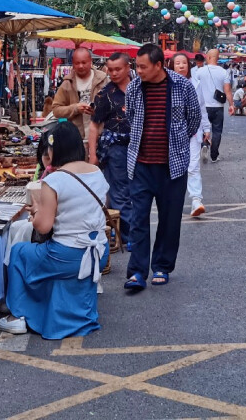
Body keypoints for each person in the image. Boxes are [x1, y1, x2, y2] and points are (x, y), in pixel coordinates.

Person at [0, 122, 109, 337]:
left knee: (20, 252)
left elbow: (43, 226)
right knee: (42, 253)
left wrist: (37, 210)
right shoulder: (96, 172)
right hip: (98, 253)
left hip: (67, 256)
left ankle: (17, 315)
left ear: (53, 150)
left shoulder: (55, 179)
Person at [123, 44, 201, 292]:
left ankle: (162, 267)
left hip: (173, 166)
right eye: (137, 66)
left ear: (158, 65)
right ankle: (137, 271)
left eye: (143, 66)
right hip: (141, 165)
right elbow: (131, 118)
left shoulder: (182, 85)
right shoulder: (134, 87)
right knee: (138, 219)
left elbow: (194, 119)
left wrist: (176, 144)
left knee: (169, 220)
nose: (138, 71)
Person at [89, 52, 133, 243]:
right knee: (119, 192)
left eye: (118, 69)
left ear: (128, 67)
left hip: (141, 147)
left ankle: (134, 232)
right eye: (111, 69)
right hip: (115, 148)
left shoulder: (140, 89)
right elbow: (94, 125)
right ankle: (130, 236)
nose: (114, 73)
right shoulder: (105, 94)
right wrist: (92, 155)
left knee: (138, 191)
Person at [169, 53, 210, 218]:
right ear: (172, 65)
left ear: (189, 66)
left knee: (193, 166)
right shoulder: (166, 84)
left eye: (184, 63)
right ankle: (172, 200)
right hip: (171, 133)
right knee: (172, 167)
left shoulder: (196, 83)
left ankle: (196, 200)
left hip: (192, 131)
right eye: (177, 63)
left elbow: (201, 107)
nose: (181, 66)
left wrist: (206, 128)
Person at [52, 47, 109, 138]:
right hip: (76, 138)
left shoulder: (103, 80)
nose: (80, 66)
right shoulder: (67, 83)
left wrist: (98, 110)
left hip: (100, 136)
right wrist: (75, 108)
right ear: (73, 64)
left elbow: (114, 106)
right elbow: (56, 110)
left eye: (84, 62)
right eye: (77, 63)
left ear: (90, 61)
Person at [194, 48, 232, 163]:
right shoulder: (223, 72)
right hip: (218, 106)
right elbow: (228, 90)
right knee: (217, 131)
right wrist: (231, 105)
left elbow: (195, 89)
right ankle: (214, 155)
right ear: (218, 58)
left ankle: (204, 144)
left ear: (208, 57)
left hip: (203, 106)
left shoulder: (199, 72)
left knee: (202, 128)